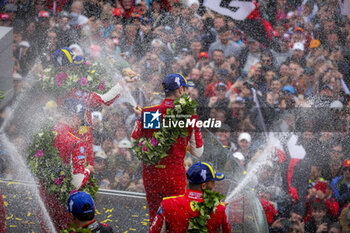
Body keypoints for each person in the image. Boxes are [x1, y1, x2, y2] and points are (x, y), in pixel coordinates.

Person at [131, 73, 204, 223]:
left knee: (155, 218)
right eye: (185, 89)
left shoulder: (151, 113)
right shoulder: (189, 116)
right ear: (180, 90)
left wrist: (142, 117)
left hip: (151, 174)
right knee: (175, 218)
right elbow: (198, 152)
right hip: (174, 176)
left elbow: (135, 142)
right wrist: (182, 143)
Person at [38, 98, 95, 232]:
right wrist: (87, 170)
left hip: (45, 199)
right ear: (75, 116)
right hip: (65, 204)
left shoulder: (47, 133)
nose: (80, 124)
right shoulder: (75, 142)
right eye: (81, 120)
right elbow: (76, 182)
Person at [149, 162, 231, 233]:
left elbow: (154, 231)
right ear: (203, 185)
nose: (214, 185)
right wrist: (219, 211)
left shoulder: (168, 204)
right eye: (212, 182)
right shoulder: (218, 209)